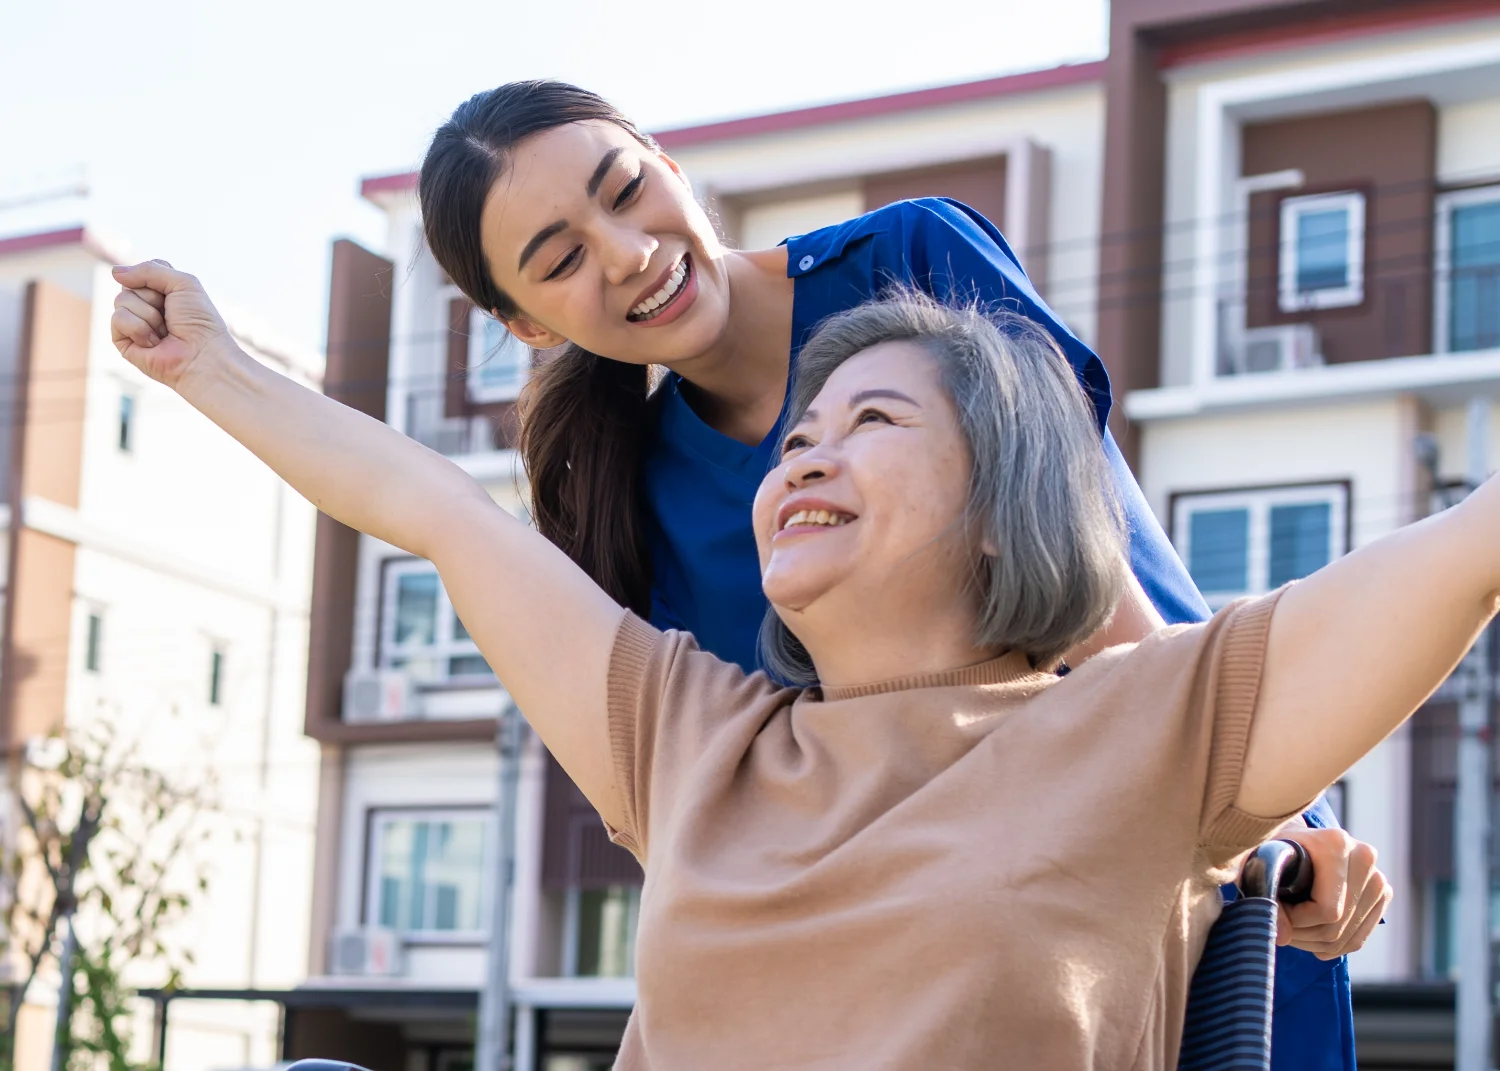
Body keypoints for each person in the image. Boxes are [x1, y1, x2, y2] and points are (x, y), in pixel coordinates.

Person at [111, 279, 1478, 1069]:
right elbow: (441, 515)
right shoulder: (691, 729)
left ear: (1008, 501)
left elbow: (1464, 552)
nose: (805, 456)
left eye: (873, 421)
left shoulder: (1158, 721)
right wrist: (211, 366)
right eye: (798, 436)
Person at [416, 82, 1381, 1067]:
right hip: (932, 978)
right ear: (527, 324)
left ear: (666, 161)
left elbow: (1087, 567)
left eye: (624, 189)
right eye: (564, 260)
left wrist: (1266, 819)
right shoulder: (628, 499)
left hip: (1195, 874)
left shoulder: (912, 261)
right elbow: (717, 801)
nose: (627, 254)